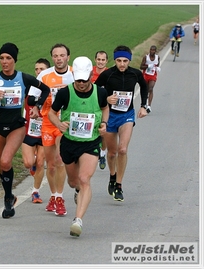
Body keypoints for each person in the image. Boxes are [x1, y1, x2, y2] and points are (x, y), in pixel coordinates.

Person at [0, 42, 50, 218]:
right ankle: (10, 196)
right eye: (2, 58)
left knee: (6, 162)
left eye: (8, 58)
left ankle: (6, 199)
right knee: (1, 166)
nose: (4, 62)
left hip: (17, 126)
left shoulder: (24, 78)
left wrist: (37, 106)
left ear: (14, 60)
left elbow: (45, 89)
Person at [48, 56, 109, 237]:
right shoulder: (65, 93)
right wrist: (59, 124)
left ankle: (78, 220)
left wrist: (104, 123)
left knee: (84, 179)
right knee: (74, 181)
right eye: (78, 80)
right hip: (69, 143)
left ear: (91, 75)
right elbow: (52, 112)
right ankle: (76, 190)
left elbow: (105, 108)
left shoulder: (100, 93)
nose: (81, 83)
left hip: (91, 142)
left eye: (85, 79)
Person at [95, 45, 148, 202]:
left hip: (127, 115)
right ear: (115, 60)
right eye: (119, 60)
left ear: (129, 60)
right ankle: (112, 175)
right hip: (110, 116)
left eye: (125, 61)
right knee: (112, 153)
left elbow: (144, 87)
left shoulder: (135, 74)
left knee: (123, 150)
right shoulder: (108, 75)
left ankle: (119, 185)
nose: (122, 64)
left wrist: (143, 106)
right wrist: (105, 99)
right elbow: (94, 91)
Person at [28, 43, 74, 216]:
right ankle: (53, 195)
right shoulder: (45, 75)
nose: (59, 59)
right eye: (55, 56)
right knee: (51, 165)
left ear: (68, 57)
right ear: (52, 57)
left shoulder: (74, 74)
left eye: (62, 55)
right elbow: (33, 95)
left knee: (60, 159)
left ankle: (60, 198)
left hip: (65, 122)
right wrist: (34, 108)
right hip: (47, 122)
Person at [22, 58, 50, 203]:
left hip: (44, 131)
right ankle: (31, 166)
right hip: (29, 130)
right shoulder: (28, 87)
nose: (38, 72)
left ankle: (36, 192)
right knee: (28, 162)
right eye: (36, 69)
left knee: (40, 162)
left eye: (42, 69)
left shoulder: (50, 90)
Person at [91, 50, 109, 170]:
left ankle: (102, 153)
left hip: (104, 107)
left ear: (106, 61)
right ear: (95, 60)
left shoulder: (110, 74)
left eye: (103, 60)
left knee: (104, 132)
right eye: (99, 59)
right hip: (90, 107)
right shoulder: (90, 72)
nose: (100, 62)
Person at [140, 45, 161, 114]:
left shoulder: (157, 57)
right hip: (145, 75)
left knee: (150, 88)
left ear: (155, 51)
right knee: (145, 89)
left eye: (153, 50)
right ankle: (144, 103)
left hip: (153, 75)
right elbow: (141, 67)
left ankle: (149, 106)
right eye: (151, 50)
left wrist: (157, 68)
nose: (152, 51)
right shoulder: (146, 57)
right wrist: (148, 66)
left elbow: (157, 65)